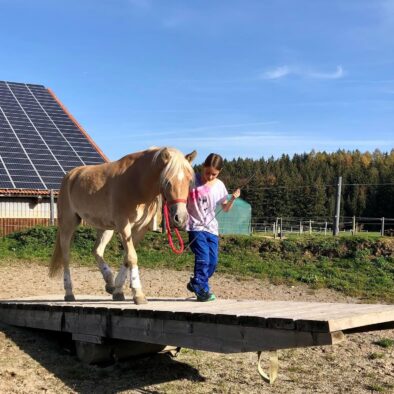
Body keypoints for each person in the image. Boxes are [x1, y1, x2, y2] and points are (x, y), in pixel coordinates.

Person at [186, 153, 241, 301]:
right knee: (203, 258)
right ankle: (200, 288)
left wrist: (233, 198)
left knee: (213, 262)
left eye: (214, 174)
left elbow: (225, 208)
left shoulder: (219, 185)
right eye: (207, 172)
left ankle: (197, 282)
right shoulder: (191, 180)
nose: (210, 177)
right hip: (195, 227)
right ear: (203, 167)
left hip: (212, 229)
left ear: (219, 172)